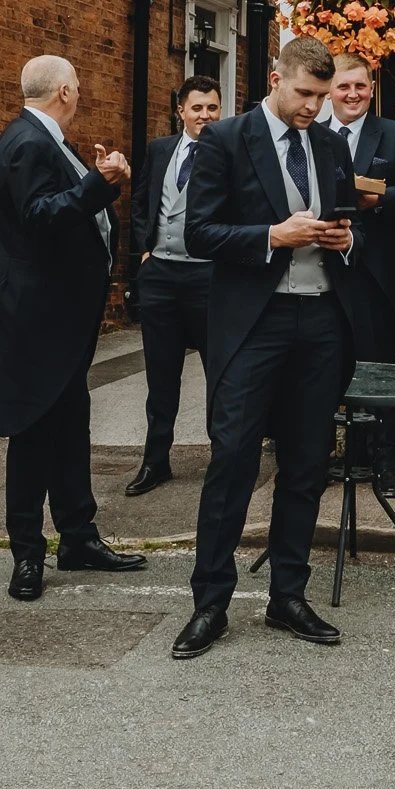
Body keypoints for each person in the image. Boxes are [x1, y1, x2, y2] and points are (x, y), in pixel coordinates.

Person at [171, 37, 361, 660]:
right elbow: (198, 232)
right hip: (254, 323)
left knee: (306, 462)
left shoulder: (330, 144)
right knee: (233, 460)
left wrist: (346, 241)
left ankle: (288, 595)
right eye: (304, 93)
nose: (313, 107)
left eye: (321, 96)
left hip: (322, 320)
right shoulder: (225, 140)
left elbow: (348, 221)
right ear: (276, 79)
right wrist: (272, 235)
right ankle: (210, 602)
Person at [0, 55, 146, 602]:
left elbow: (71, 207)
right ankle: (27, 553)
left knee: (71, 426)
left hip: (63, 315)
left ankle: (78, 536)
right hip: (37, 317)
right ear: (66, 91)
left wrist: (99, 181)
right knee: (33, 433)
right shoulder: (27, 142)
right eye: (78, 85)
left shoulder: (49, 140)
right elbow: (40, 216)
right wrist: (98, 182)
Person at [326, 50, 395, 497]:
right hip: (322, 268)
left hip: (376, 272)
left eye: (360, 86)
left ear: (372, 89)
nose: (352, 94)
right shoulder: (309, 135)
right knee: (322, 364)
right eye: (343, 86)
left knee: (380, 368)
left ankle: (387, 462)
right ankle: (330, 457)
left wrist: (380, 198)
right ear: (330, 91)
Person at [125, 74, 222, 497]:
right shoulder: (160, 149)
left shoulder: (229, 152)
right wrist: (145, 250)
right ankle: (155, 460)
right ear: (180, 110)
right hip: (160, 275)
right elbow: (140, 201)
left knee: (219, 372)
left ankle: (223, 458)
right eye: (197, 108)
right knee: (161, 375)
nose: (205, 115)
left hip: (208, 276)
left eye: (212, 108)